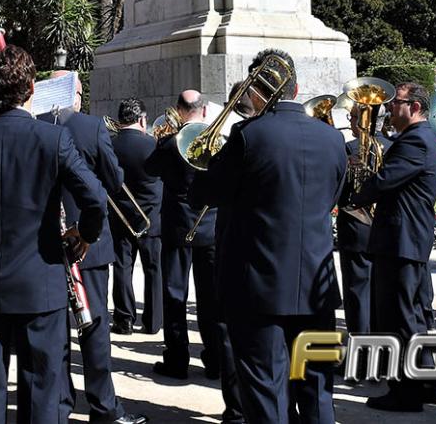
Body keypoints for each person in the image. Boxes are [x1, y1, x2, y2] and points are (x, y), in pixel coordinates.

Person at [0, 45, 107, 424]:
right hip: (42, 281)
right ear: (31, 88)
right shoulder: (51, 139)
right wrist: (83, 235)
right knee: (42, 392)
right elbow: (96, 199)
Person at [192, 49, 347, 424]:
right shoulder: (332, 139)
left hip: (258, 288)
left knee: (266, 393)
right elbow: (335, 196)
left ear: (256, 91)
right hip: (317, 288)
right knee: (318, 393)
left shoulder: (248, 136)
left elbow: (205, 194)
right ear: (297, 89)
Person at [37, 70, 143, 424]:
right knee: (95, 329)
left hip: (45, 243)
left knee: (56, 333)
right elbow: (114, 181)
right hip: (89, 243)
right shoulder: (92, 127)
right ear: (77, 95)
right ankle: (104, 408)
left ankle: (60, 406)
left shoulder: (33, 124)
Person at [349, 83, 436, 412]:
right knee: (413, 317)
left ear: (414, 107)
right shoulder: (419, 138)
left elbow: (383, 181)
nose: (389, 109)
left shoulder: (415, 141)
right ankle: (427, 385)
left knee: (398, 319)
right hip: (405, 240)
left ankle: (406, 394)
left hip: (400, 241)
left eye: (396, 103)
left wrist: (357, 190)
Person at [144, 90, 220, 380]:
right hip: (209, 227)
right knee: (210, 297)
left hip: (178, 228)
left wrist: (165, 138)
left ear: (178, 109)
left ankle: (177, 360)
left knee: (175, 294)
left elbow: (149, 168)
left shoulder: (169, 143)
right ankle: (215, 360)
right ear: (203, 111)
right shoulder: (217, 143)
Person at [336, 103, 391, 341]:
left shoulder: (348, 148)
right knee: (382, 291)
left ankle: (360, 349)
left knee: (357, 292)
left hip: (356, 228)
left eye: (353, 117)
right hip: (384, 229)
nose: (349, 121)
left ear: (363, 121)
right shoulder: (395, 147)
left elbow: (339, 191)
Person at [108, 97, 163, 336]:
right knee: (153, 269)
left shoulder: (109, 144)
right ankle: (152, 322)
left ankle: (124, 319)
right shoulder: (153, 144)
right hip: (151, 216)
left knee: (122, 266)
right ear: (142, 119)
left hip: (120, 216)